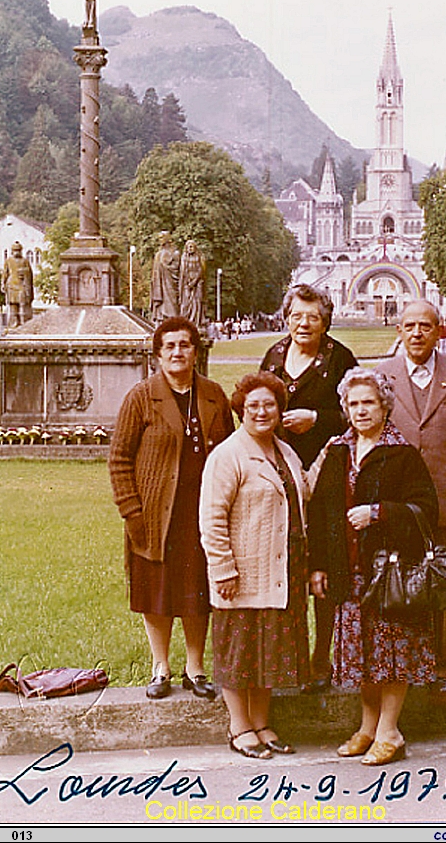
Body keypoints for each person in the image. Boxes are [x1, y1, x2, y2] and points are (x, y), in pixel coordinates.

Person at [308, 368, 439, 765]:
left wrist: (379, 513)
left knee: (391, 653)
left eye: (369, 402)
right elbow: (321, 512)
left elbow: (427, 510)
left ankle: (390, 731)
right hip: (347, 571)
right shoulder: (337, 451)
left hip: (388, 574)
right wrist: (318, 566)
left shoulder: (402, 453)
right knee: (361, 654)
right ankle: (367, 727)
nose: (361, 410)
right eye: (354, 403)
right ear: (345, 408)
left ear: (384, 406)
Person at [109, 316, 233, 699]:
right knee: (157, 593)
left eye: (185, 345)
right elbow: (119, 459)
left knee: (198, 591)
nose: (178, 352)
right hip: (155, 516)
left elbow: (231, 452)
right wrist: (132, 512)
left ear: (196, 351)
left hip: (203, 515)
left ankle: (195, 668)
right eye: (170, 347)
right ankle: (160, 666)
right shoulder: (142, 396)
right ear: (159, 354)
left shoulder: (213, 394)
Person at [377, 300, 446, 692]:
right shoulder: (382, 374)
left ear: (439, 330)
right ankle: (403, 662)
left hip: (445, 498)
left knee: (440, 578)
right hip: (398, 501)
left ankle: (440, 666)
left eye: (425, 325)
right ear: (399, 331)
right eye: (409, 325)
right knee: (398, 579)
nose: (417, 333)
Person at [199, 372, 309, 759]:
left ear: (280, 410)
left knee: (268, 651)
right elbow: (211, 519)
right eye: (253, 406)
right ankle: (239, 727)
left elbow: (301, 493)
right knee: (239, 650)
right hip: (243, 571)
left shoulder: (285, 451)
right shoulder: (228, 456)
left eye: (269, 405)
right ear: (241, 411)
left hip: (282, 569)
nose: (262, 412)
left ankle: (262, 723)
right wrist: (223, 568)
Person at [260, 283, 357, 690]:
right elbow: (258, 404)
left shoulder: (340, 358)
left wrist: (316, 418)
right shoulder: (274, 356)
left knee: (326, 565)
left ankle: (322, 655)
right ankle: (290, 654)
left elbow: (358, 411)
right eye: (297, 316)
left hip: (328, 473)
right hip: (280, 471)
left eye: (313, 317)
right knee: (286, 562)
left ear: (325, 321)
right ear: (286, 318)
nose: (304, 323)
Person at [150, 231, 180, 324]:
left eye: (161, 238)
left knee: (172, 303)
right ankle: (161, 319)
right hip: (159, 284)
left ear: (167, 238)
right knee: (161, 305)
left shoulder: (175, 253)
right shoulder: (158, 254)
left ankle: (173, 321)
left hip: (170, 282)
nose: (160, 240)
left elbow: (176, 267)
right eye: (159, 238)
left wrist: (164, 267)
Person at [2, 241, 34, 328]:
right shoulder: (8, 261)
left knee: (23, 304)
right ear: (12, 251)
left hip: (22, 284)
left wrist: (24, 272)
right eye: (15, 250)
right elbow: (5, 273)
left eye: (18, 250)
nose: (16, 252)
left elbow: (30, 273)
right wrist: (3, 283)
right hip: (11, 284)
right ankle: (13, 324)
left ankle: (24, 323)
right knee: (13, 305)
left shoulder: (25, 261)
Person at [179, 240, 206, 328]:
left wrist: (194, 281)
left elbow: (201, 270)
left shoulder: (199, 257)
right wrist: (188, 282)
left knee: (197, 302)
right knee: (186, 303)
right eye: (188, 247)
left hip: (197, 282)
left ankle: (196, 322)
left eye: (192, 246)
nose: (190, 249)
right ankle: (186, 321)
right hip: (187, 282)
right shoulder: (184, 257)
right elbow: (183, 270)